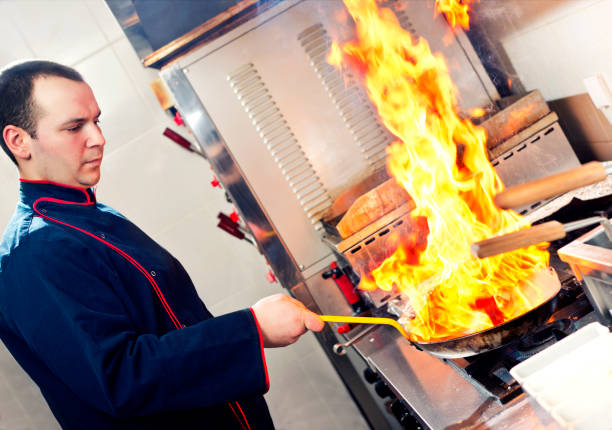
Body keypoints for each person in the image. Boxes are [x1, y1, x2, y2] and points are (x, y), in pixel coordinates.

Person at [0, 60, 325, 429]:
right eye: (75, 127)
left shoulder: (88, 213)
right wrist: (252, 330)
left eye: (96, 121)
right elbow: (119, 379)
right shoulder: (34, 254)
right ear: (18, 141)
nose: (98, 138)